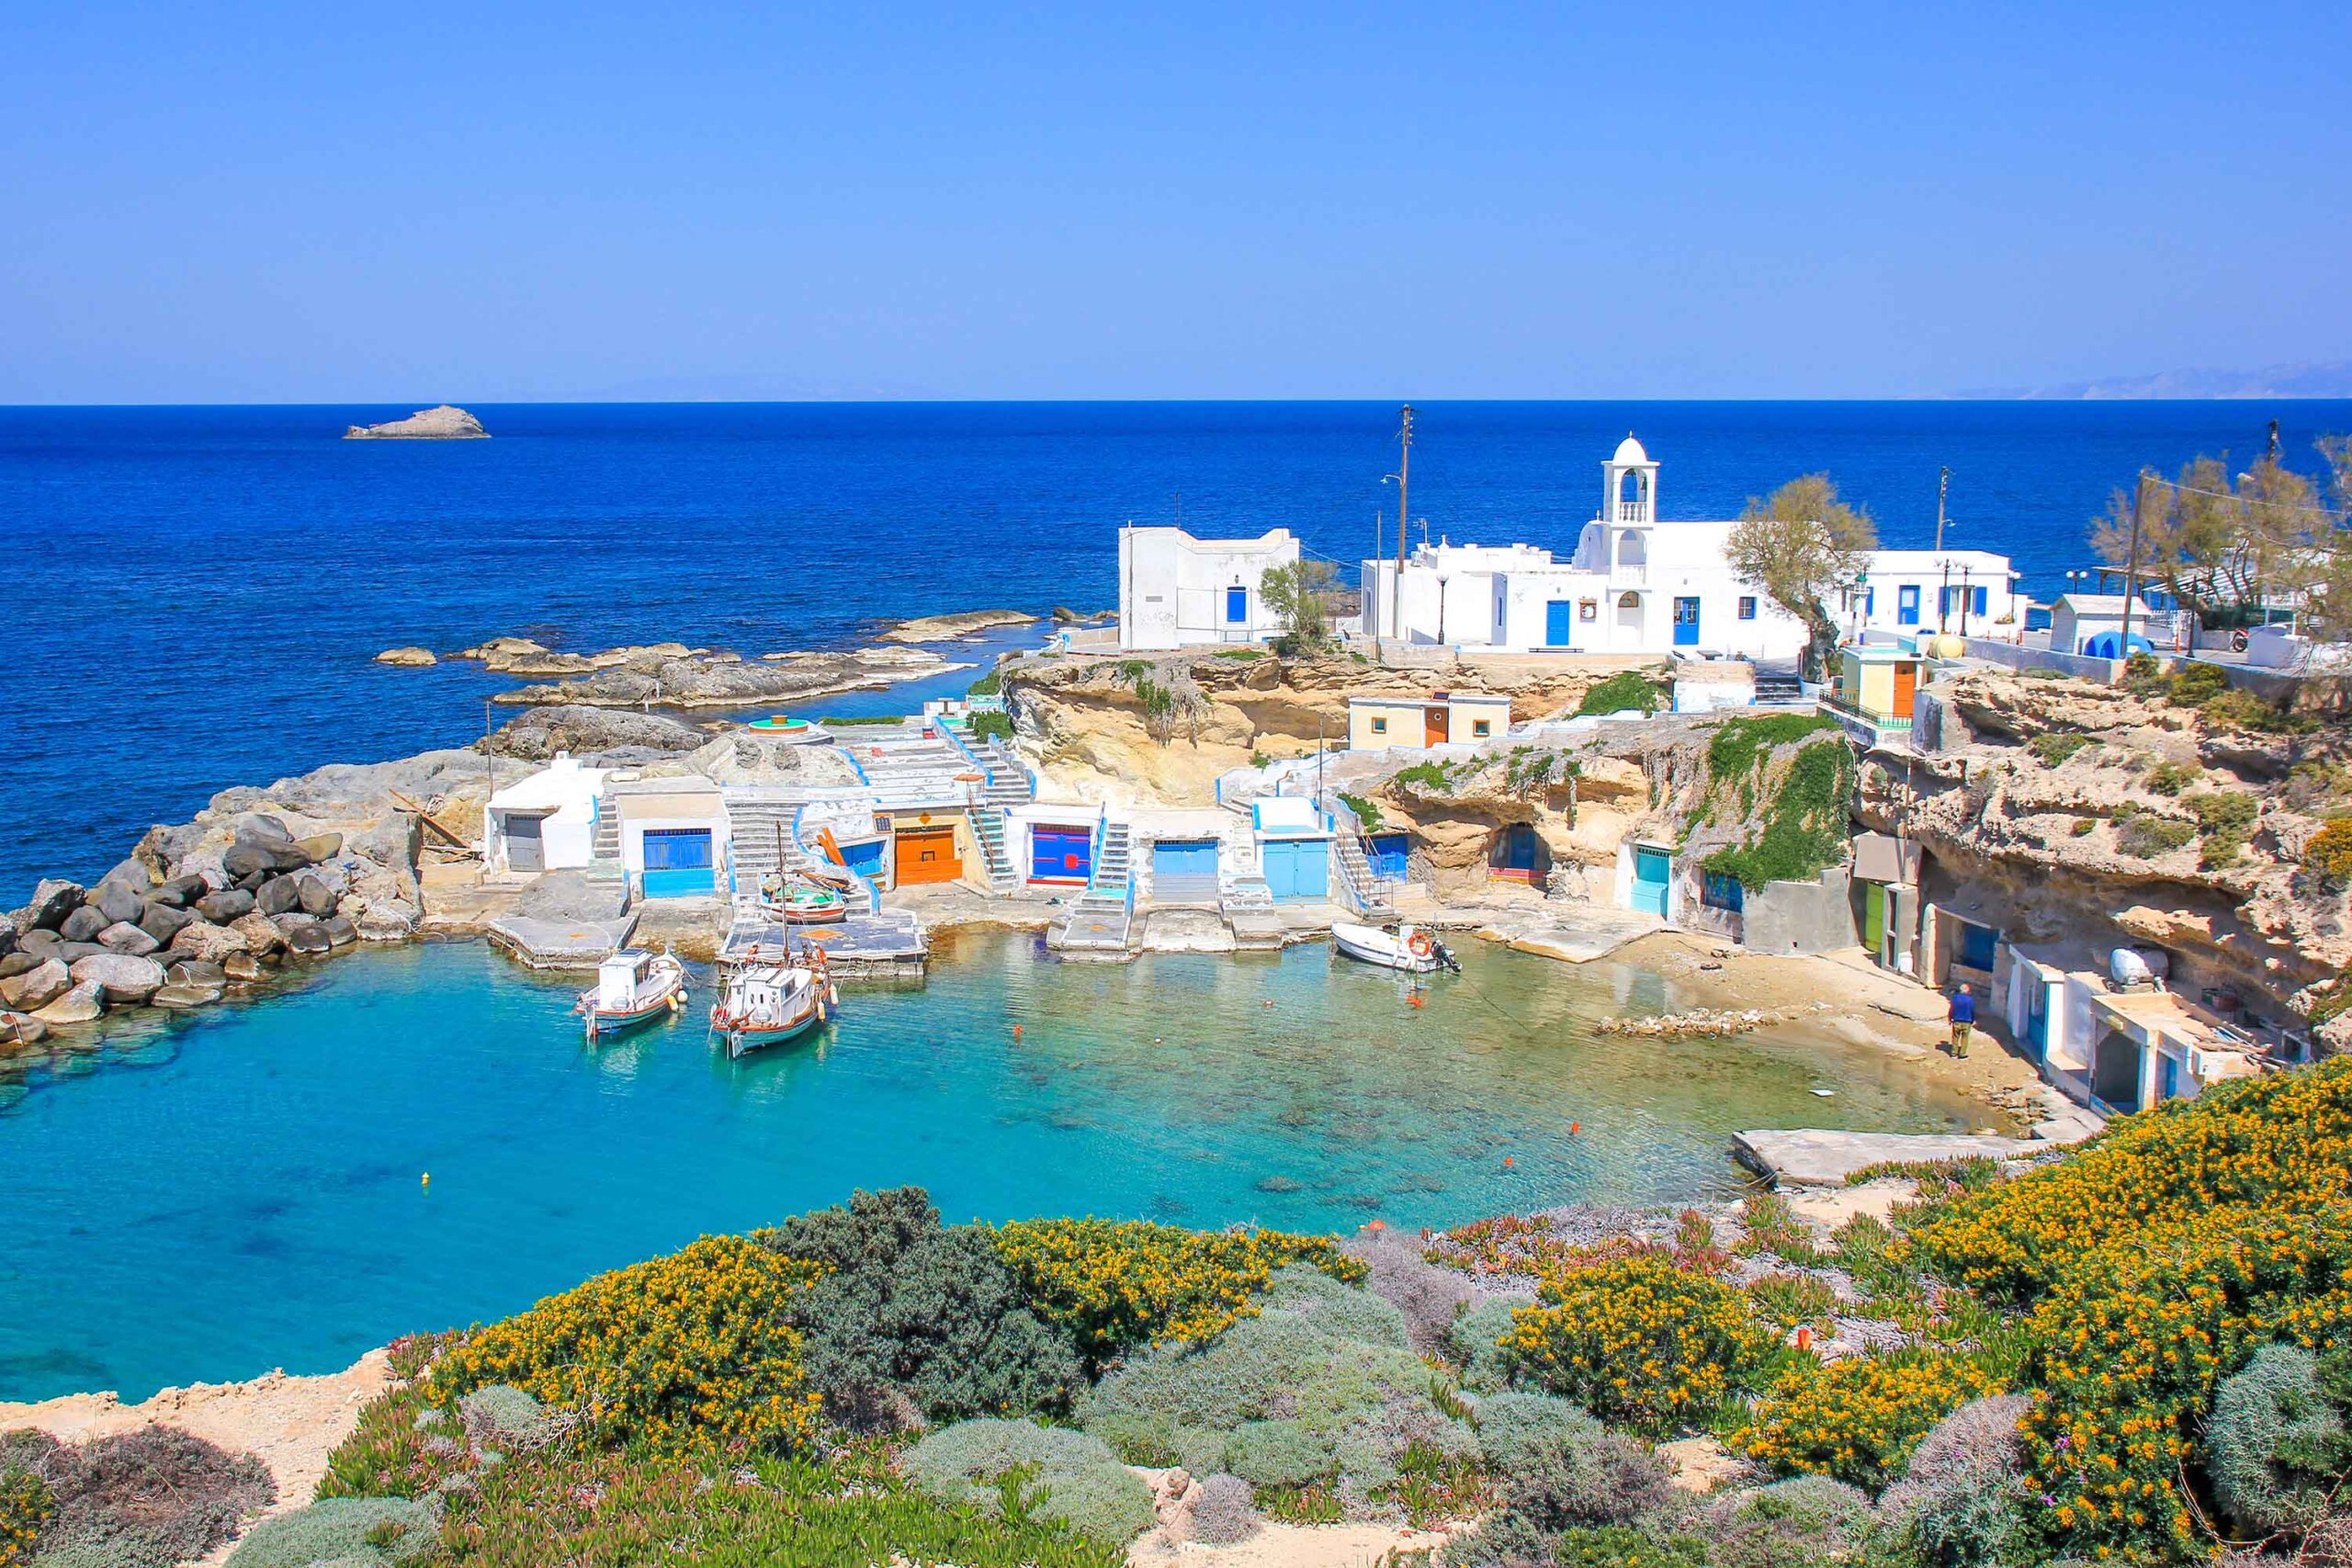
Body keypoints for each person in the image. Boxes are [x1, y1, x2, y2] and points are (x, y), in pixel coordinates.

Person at [1949, 983, 1975, 1058]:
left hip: (1957, 1020)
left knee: (1955, 1037)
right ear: (1967, 990)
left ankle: (1954, 1053)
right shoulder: (1970, 999)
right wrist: (1972, 1020)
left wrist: (1950, 1018)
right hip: (1967, 1021)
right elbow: (1972, 1011)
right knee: (1965, 1038)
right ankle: (1962, 1054)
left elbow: (1951, 1009)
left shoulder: (1955, 998)